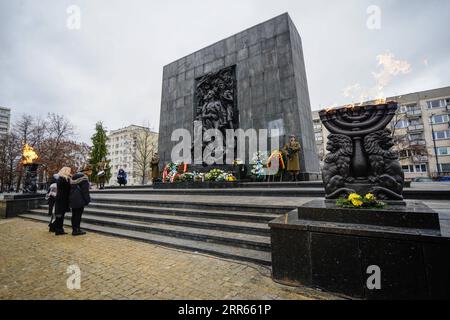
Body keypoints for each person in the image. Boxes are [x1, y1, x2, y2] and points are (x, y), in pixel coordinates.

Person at [69, 164, 92, 236]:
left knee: (74, 214)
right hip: (80, 199)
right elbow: (85, 191)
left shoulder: (74, 176)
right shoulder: (84, 178)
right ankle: (77, 230)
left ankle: (74, 229)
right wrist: (87, 200)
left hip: (72, 197)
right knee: (78, 215)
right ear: (87, 171)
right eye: (90, 171)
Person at [51, 167, 72, 235]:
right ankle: (59, 230)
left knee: (60, 215)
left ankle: (58, 229)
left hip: (60, 198)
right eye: (69, 171)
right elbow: (69, 188)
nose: (70, 172)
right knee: (60, 215)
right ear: (66, 171)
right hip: (62, 199)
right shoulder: (64, 179)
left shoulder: (61, 178)